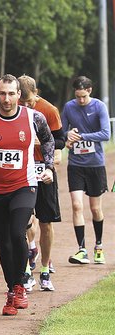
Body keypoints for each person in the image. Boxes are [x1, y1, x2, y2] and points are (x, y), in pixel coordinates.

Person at [0, 74, 55, 316]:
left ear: (19, 95)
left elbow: (48, 140)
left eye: (12, 93)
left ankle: (21, 285)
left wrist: (48, 167)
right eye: (2, 93)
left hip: (25, 185)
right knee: (3, 243)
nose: (7, 99)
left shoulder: (33, 117)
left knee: (17, 232)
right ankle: (11, 290)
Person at [18, 75, 65, 291]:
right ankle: (26, 270)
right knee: (24, 222)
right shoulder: (12, 109)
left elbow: (61, 140)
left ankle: (45, 270)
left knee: (46, 222)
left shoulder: (49, 110)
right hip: (21, 172)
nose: (26, 106)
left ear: (36, 93)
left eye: (30, 102)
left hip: (44, 169)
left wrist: (44, 141)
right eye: (23, 102)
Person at [62, 76, 111, 265]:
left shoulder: (99, 107)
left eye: (83, 96)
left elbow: (106, 134)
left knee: (95, 208)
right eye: (78, 96)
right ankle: (82, 249)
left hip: (95, 165)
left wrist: (81, 135)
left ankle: (98, 246)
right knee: (76, 205)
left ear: (90, 90)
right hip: (75, 164)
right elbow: (62, 131)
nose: (80, 100)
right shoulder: (69, 107)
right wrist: (67, 135)